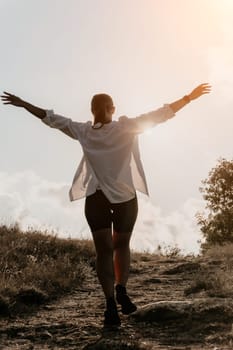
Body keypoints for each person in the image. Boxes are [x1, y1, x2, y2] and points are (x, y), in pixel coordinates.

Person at [1, 83, 211, 326]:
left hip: (96, 197)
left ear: (92, 111)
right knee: (121, 245)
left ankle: (110, 304)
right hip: (125, 197)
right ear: (112, 108)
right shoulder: (126, 127)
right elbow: (161, 114)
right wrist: (189, 98)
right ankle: (121, 289)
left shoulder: (84, 131)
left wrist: (24, 104)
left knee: (103, 251)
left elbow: (50, 118)